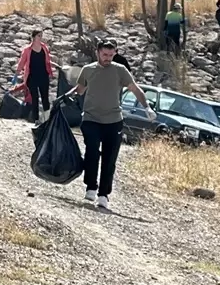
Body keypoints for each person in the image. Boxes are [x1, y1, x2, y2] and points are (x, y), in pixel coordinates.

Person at [60, 38, 152, 212]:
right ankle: (91, 188)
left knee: (110, 159)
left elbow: (135, 89)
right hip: (91, 118)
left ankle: (103, 195)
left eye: (111, 55)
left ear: (115, 53)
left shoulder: (120, 71)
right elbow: (80, 89)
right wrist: (67, 96)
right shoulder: (88, 70)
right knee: (92, 151)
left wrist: (147, 107)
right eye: (105, 54)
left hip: (114, 121)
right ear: (98, 52)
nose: (108, 58)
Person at [18, 30, 54, 122]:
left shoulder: (44, 47)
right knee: (35, 98)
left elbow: (48, 61)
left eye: (41, 36)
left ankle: (47, 119)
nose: (40, 37)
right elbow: (22, 63)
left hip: (43, 76)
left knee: (45, 97)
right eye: (38, 36)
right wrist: (16, 74)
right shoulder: (27, 50)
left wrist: (51, 72)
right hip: (32, 77)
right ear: (33, 37)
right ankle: (36, 119)